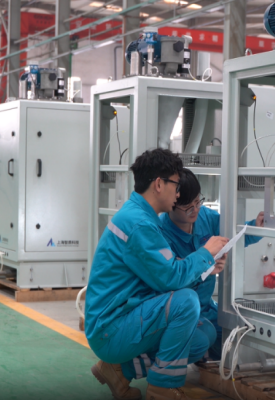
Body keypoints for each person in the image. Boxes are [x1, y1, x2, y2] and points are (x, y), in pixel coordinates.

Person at [85, 149, 229, 400]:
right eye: (176, 185)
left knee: (199, 337)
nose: (178, 193)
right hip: (111, 329)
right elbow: (170, 278)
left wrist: (204, 268)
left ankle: (120, 371)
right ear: (159, 184)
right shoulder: (140, 224)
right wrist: (205, 254)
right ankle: (162, 388)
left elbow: (162, 274)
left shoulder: (140, 216)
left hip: (121, 317)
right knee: (186, 302)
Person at [160, 168, 264, 361]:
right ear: (171, 203)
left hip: (206, 306)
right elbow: (170, 277)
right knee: (204, 336)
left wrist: (256, 227)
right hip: (179, 309)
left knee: (235, 334)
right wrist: (205, 267)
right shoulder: (160, 233)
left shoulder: (206, 217)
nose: (195, 209)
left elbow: (234, 236)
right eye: (188, 206)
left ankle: (205, 358)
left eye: (198, 201)